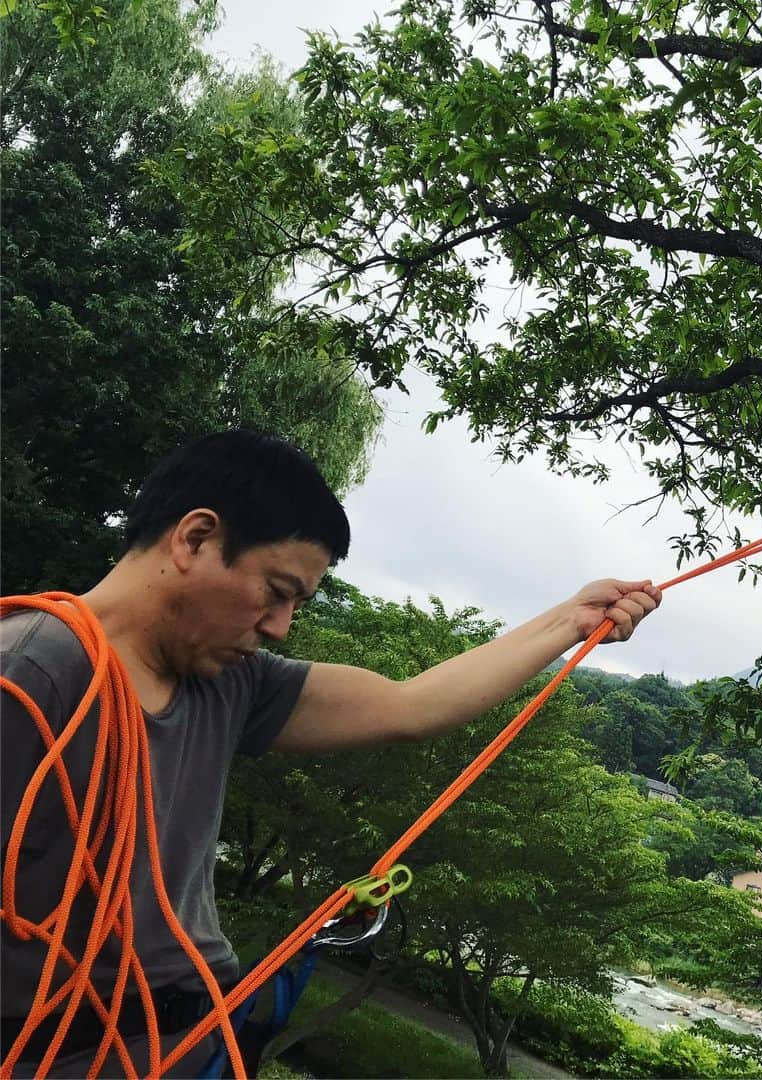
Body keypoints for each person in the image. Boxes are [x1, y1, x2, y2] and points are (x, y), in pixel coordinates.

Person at [0, 430, 661, 1077]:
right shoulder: (32, 672)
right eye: (277, 591)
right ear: (195, 538)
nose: (279, 627)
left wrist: (570, 621)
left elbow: (411, 705)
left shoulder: (232, 684)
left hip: (196, 1048)